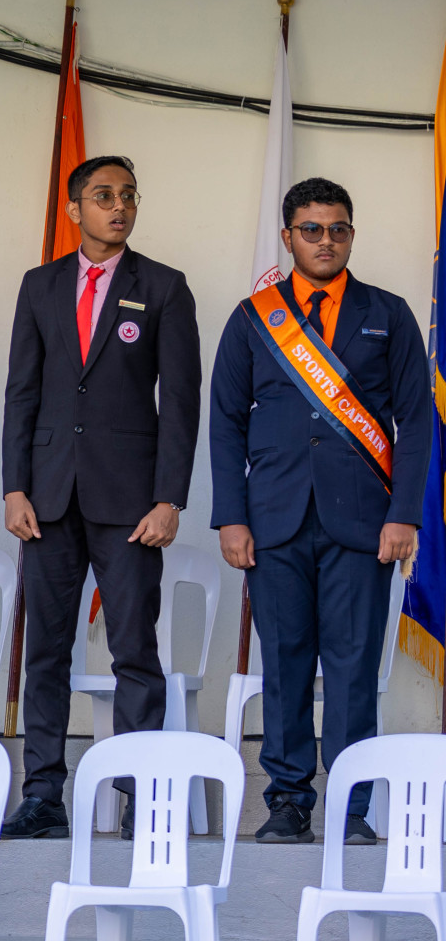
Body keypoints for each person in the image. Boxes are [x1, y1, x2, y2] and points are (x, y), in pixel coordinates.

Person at [210, 177, 430, 845]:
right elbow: (224, 422)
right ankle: (287, 802)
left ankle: (351, 806)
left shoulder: (386, 313)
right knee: (285, 661)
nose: (325, 240)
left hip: (363, 523)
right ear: (288, 237)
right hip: (273, 519)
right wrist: (232, 516)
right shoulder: (255, 318)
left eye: (337, 228)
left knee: (353, 662)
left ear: (351, 235)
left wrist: (404, 515)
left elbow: (416, 424)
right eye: (311, 229)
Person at [0, 156, 200, 841]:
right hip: (48, 497)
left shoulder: (165, 287)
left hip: (131, 501)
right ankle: (43, 795)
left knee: (133, 651)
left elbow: (180, 403)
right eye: (104, 195)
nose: (120, 206)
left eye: (129, 196)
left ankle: (141, 796)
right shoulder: (40, 284)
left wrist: (169, 498)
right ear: (73, 208)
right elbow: (21, 392)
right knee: (46, 652)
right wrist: (14, 486)